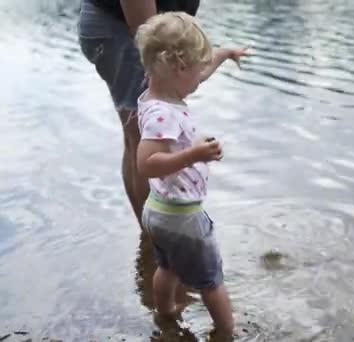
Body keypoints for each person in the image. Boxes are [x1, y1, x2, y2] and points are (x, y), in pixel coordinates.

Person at [134, 11, 249, 339]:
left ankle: (165, 314)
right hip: (182, 217)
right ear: (178, 68)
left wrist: (225, 54)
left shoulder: (157, 92)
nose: (202, 77)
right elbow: (147, 163)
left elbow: (198, 72)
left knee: (167, 267)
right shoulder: (162, 114)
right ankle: (228, 332)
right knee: (212, 281)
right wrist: (194, 154)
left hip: (158, 211)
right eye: (198, 70)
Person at [78, 0, 201, 227]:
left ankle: (155, 238)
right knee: (147, 139)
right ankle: (159, 238)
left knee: (138, 138)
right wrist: (157, 58)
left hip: (147, 31)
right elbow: (147, 32)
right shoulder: (152, 43)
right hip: (126, 28)